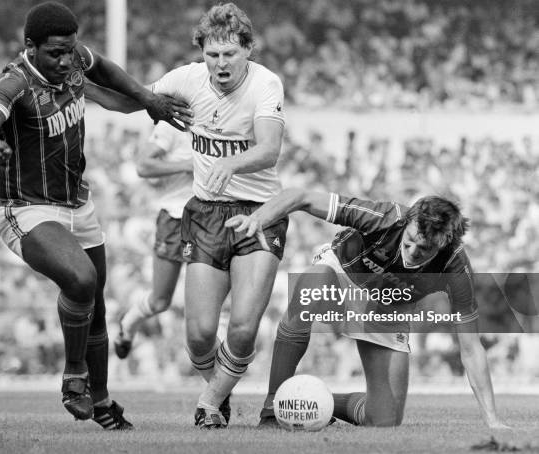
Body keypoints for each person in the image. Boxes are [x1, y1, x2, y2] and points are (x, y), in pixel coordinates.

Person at [0, 1, 192, 430]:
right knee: (81, 279)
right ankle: (74, 376)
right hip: (25, 209)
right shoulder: (12, 85)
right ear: (30, 47)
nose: (67, 60)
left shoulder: (72, 61)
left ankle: (102, 405)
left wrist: (148, 100)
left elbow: (101, 66)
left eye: (70, 50)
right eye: (55, 53)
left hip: (78, 205)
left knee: (96, 308)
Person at [226, 189, 510, 429]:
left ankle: (314, 402)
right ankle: (272, 407)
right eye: (408, 241)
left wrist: (492, 419)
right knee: (314, 284)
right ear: (408, 221)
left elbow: (471, 348)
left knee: (384, 420)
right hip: (342, 272)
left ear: (443, 244)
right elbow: (301, 196)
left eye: (422, 250)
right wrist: (258, 218)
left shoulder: (455, 267)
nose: (410, 253)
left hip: (388, 304)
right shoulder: (386, 218)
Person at [149, 3, 288, 428]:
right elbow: (134, 97)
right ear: (202, 53)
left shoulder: (266, 83)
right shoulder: (186, 79)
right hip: (205, 214)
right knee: (198, 335)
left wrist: (233, 163)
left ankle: (209, 402)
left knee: (244, 328)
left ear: (248, 49)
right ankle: (220, 390)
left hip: (259, 214)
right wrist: (86, 81)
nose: (221, 63)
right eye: (212, 54)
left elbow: (269, 149)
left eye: (230, 53)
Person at [113, 122, 193, 359]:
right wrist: (187, 165)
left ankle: (217, 384)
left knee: (207, 306)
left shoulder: (222, 119)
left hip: (211, 218)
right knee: (160, 302)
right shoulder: (172, 126)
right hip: (175, 217)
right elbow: (144, 165)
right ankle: (128, 323)